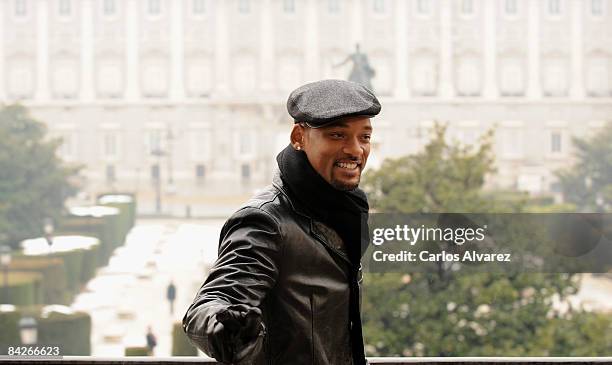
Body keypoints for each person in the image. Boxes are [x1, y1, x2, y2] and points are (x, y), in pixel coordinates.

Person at [183, 79, 381, 365]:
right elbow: (211, 303)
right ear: (298, 137)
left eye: (364, 137)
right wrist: (227, 327)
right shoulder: (266, 221)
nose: (356, 150)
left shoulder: (342, 211)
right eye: (337, 135)